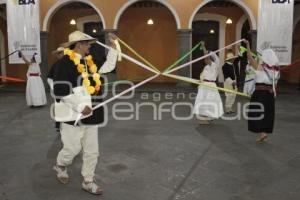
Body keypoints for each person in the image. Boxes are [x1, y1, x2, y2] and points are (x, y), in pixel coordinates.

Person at [52, 31, 118, 194]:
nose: (90, 45)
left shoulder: (90, 61)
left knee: (92, 150)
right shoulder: (64, 64)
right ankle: (61, 164)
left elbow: (108, 66)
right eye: (87, 43)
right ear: (79, 45)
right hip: (72, 115)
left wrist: (113, 47)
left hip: (93, 113)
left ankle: (88, 180)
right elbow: (61, 90)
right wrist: (80, 107)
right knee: (72, 149)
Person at [245, 40, 280, 143]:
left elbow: (250, 58)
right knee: (267, 114)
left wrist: (247, 45)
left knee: (257, 113)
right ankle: (264, 133)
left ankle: (261, 131)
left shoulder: (261, 68)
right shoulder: (276, 70)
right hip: (270, 94)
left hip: (260, 94)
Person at [193, 43, 224, 125]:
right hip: (204, 86)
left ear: (212, 59)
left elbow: (206, 57)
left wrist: (203, 47)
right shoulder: (206, 67)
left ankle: (208, 117)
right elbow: (205, 58)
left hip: (210, 87)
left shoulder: (214, 65)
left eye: (208, 59)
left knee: (209, 102)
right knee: (203, 102)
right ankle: (205, 117)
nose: (206, 60)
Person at [48, 47, 64, 133]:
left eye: (61, 53)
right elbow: (49, 78)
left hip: (69, 91)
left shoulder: (70, 63)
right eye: (58, 54)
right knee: (58, 107)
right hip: (58, 91)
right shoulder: (55, 65)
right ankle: (58, 125)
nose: (59, 55)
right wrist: (54, 88)